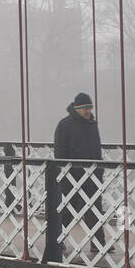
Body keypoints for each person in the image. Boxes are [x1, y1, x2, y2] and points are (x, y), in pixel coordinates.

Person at [52, 92, 105, 253]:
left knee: (94, 209)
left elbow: (97, 149)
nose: (88, 111)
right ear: (76, 108)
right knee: (68, 210)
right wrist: (66, 171)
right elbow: (59, 152)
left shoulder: (92, 125)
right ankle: (57, 239)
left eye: (89, 107)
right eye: (84, 108)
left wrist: (99, 170)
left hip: (92, 175)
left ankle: (98, 244)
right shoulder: (64, 125)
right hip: (72, 175)